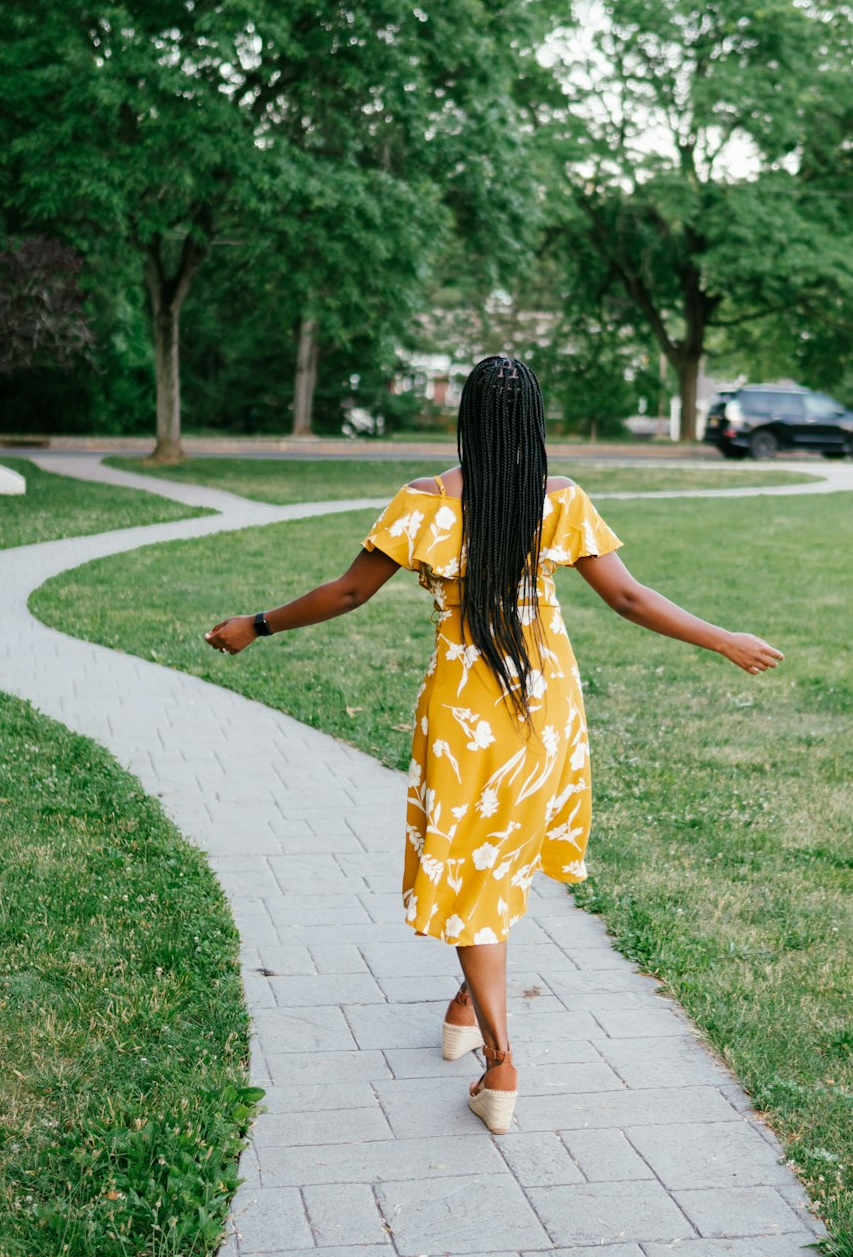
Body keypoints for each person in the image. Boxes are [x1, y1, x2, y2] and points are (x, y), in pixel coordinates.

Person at [205, 355, 783, 1134]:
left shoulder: (422, 505)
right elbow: (629, 596)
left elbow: (347, 592)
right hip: (546, 707)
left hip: (463, 713)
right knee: (501, 852)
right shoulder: (561, 502)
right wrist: (724, 639)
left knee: (475, 861)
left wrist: (257, 625)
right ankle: (465, 1005)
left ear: (466, 416)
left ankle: (500, 1064)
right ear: (534, 419)